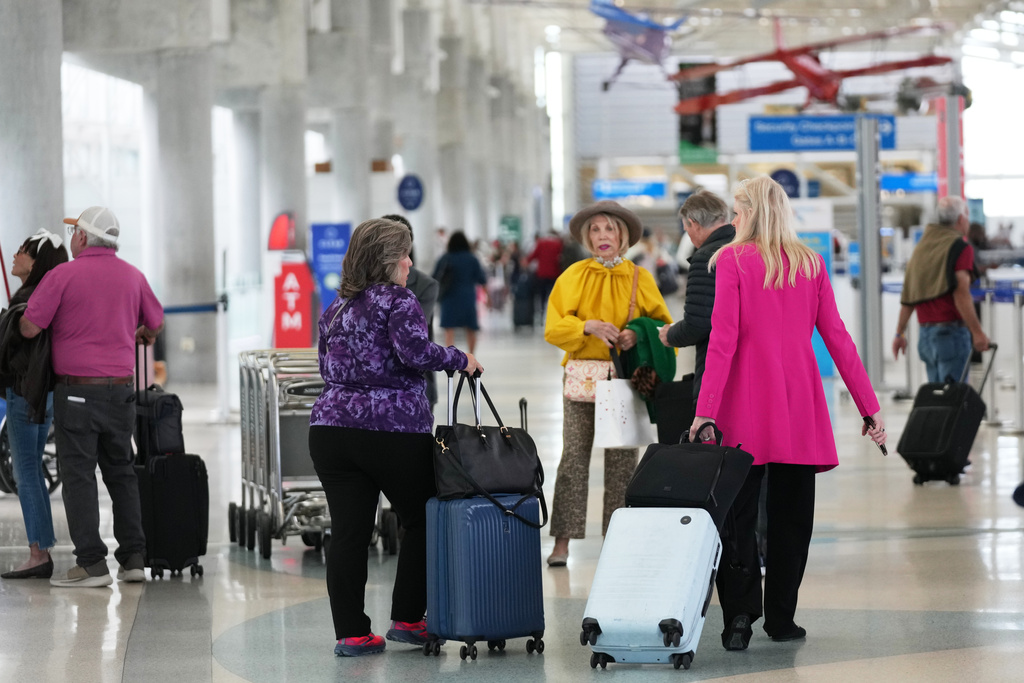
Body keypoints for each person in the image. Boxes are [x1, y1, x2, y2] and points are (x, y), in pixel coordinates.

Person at [689, 177, 887, 649]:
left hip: (744, 407)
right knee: (792, 517)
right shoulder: (811, 263)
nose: (733, 221)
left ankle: (739, 617)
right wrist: (869, 407)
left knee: (737, 517)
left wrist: (704, 412)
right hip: (799, 406)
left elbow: (723, 341)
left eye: (738, 211)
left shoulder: (731, 260)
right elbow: (837, 339)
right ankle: (781, 619)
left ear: (753, 212)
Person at [307, 218, 483, 657]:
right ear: (387, 260)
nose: (409, 263)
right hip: (392, 430)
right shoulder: (398, 300)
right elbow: (415, 352)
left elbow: (325, 366)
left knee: (348, 533)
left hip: (330, 430)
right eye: (404, 254)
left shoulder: (337, 306)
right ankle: (407, 618)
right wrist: (460, 358)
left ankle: (351, 633)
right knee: (422, 516)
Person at [20, 207, 164, 587]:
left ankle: (91, 564)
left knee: (80, 476)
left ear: (82, 237)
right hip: (121, 392)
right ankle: (133, 559)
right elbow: (156, 322)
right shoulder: (134, 276)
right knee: (121, 472)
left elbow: (31, 326)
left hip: (77, 393)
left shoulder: (62, 275)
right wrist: (141, 335)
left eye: (74, 233)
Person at [544, 200, 672, 567]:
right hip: (582, 379)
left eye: (610, 230)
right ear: (588, 237)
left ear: (623, 237)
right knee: (573, 460)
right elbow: (553, 327)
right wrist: (586, 326)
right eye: (596, 230)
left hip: (623, 380)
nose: (603, 236)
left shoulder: (639, 278)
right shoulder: (573, 276)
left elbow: (662, 325)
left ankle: (617, 539)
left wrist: (636, 333)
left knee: (621, 464)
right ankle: (562, 542)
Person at [0, 229, 68, 579]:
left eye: (23, 250)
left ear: (37, 261)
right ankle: (42, 544)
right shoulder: (47, 296)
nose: (15, 255)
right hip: (44, 395)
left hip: (26, 393)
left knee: (25, 471)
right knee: (31, 471)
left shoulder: (29, 300)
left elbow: (19, 347)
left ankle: (38, 553)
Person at [893, 197, 990, 383]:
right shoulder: (960, 247)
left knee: (938, 401)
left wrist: (899, 333)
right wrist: (977, 332)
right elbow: (961, 293)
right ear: (961, 219)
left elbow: (909, 295)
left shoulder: (922, 247)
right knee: (953, 402)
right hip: (951, 334)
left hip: (926, 337)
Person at [658, 189, 736, 406]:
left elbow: (699, 323)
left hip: (719, 363)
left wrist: (670, 335)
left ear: (693, 223)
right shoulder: (747, 247)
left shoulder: (706, 257)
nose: (689, 236)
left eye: (687, 230)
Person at [382, 213, 440, 407]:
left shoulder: (425, 285)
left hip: (415, 381)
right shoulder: (363, 285)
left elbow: (413, 329)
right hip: (375, 386)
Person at [432, 231, 487, 354]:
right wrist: (489, 298)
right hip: (467, 298)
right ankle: (471, 355)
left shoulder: (445, 258)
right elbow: (482, 279)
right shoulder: (472, 259)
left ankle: (452, 358)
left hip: (449, 298)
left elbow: (434, 277)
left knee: (449, 330)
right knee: (471, 329)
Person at [527, 230, 564, 314]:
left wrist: (527, 262)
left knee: (542, 295)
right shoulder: (558, 244)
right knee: (553, 294)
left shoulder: (541, 243)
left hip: (542, 274)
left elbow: (533, 256)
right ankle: (552, 312)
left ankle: (542, 311)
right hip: (554, 273)